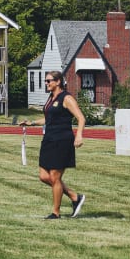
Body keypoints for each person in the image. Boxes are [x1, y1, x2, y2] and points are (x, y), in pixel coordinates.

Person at [25, 70, 85, 219]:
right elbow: (48, 118)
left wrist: (78, 135)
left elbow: (81, 118)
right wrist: (31, 123)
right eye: (46, 81)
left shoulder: (67, 98)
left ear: (58, 82)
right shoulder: (51, 97)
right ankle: (74, 196)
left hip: (62, 140)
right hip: (49, 140)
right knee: (44, 176)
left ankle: (55, 213)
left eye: (49, 81)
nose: (46, 83)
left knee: (55, 177)